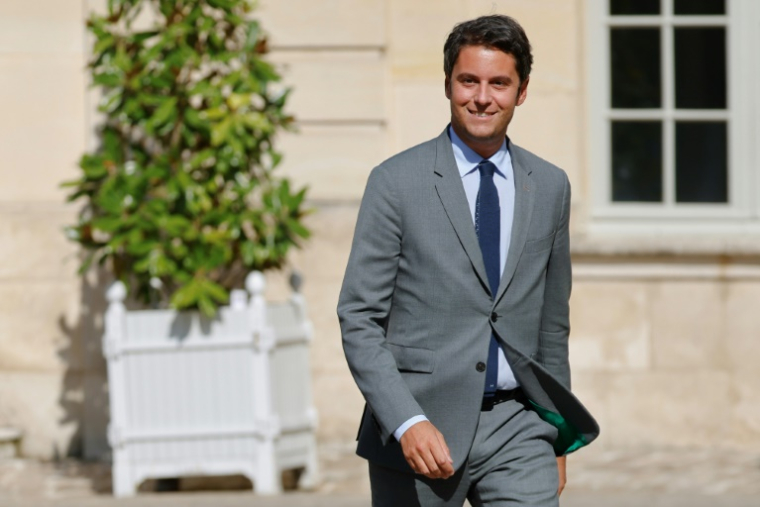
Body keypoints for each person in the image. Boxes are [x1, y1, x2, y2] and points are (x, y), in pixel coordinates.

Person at [337, 14, 599, 507]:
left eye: (499, 83)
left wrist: (558, 433)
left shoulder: (550, 187)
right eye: (468, 81)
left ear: (521, 92)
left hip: (520, 428)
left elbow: (551, 325)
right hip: (420, 431)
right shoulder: (394, 183)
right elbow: (359, 317)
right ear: (448, 85)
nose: (482, 97)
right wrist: (405, 421)